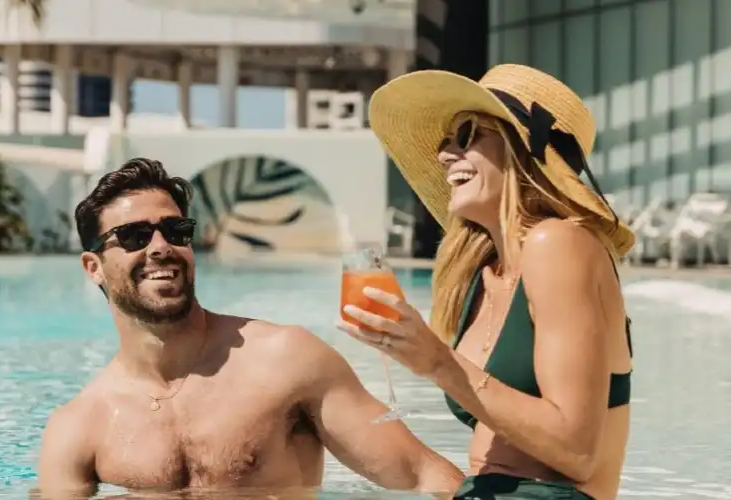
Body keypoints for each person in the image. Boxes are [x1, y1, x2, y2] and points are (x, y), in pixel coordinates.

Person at [34, 157, 464, 499]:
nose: (161, 248)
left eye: (175, 230)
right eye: (134, 237)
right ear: (94, 267)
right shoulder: (79, 426)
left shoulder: (284, 361)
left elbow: (422, 474)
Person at [338, 64, 635, 500]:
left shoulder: (559, 242)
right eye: (445, 142)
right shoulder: (482, 273)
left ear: (521, 151)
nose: (444, 156)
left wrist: (439, 362)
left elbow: (576, 452)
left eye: (469, 135)